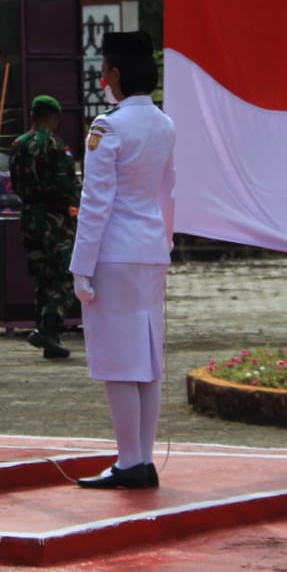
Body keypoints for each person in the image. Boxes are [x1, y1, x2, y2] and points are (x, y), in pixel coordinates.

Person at [68, 30, 175, 490]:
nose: (103, 78)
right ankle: (141, 458)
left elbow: (96, 202)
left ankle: (130, 461)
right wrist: (164, 243)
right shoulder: (164, 124)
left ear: (115, 74)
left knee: (118, 360)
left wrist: (80, 265)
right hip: (150, 248)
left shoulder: (107, 127)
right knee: (147, 359)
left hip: (114, 252)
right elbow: (168, 194)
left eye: (106, 71)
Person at [8, 94, 80, 359]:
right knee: (65, 276)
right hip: (54, 219)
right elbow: (68, 186)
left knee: (43, 277)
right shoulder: (56, 146)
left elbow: (14, 183)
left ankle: (47, 335)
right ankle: (48, 328)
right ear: (54, 117)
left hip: (28, 216)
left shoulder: (17, 145)